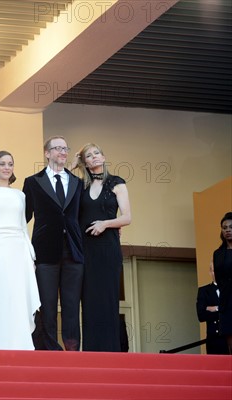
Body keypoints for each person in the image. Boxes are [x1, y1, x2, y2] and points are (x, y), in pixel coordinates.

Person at [22, 136, 83, 351]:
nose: (63, 152)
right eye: (58, 148)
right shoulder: (32, 182)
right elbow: (23, 217)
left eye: (66, 149)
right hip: (45, 253)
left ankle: (73, 352)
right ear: (47, 153)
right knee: (47, 306)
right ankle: (49, 351)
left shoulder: (77, 182)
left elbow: (82, 216)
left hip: (73, 252)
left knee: (71, 306)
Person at [0, 151, 41, 350]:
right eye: (2, 163)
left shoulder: (20, 195)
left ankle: (22, 346)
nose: (7, 167)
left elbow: (23, 227)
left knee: (19, 297)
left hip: (19, 250)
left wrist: (31, 255)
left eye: (10, 164)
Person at [74, 143, 131, 352]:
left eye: (97, 153)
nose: (94, 157)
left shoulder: (117, 183)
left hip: (107, 249)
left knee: (107, 300)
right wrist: (74, 165)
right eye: (88, 156)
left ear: (104, 157)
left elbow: (127, 217)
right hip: (85, 250)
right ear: (85, 163)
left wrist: (105, 224)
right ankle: (91, 352)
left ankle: (111, 352)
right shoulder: (81, 186)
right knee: (88, 302)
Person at [196, 262, 228, 354]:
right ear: (210, 272)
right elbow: (201, 315)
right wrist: (223, 310)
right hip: (214, 339)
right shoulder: (204, 291)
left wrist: (215, 308)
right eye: (214, 270)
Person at [213, 211, 232, 354]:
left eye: (231, 227)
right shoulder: (218, 253)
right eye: (224, 227)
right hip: (227, 300)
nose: (228, 230)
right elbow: (218, 279)